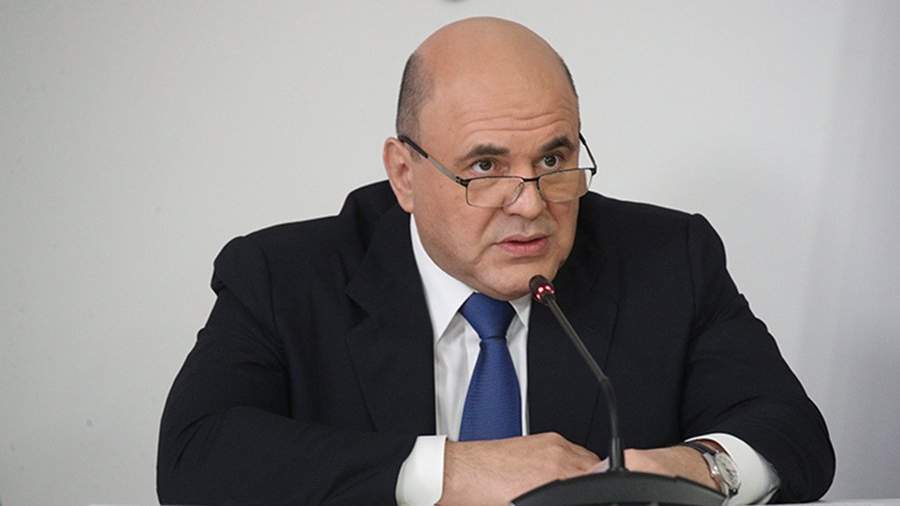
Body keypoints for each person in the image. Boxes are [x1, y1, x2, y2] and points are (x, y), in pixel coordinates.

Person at [157, 17, 834, 506]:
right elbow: (197, 456)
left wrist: (695, 469)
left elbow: (792, 432)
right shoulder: (282, 277)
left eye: (554, 159)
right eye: (485, 167)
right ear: (404, 174)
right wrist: (451, 472)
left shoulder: (666, 259)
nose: (531, 204)